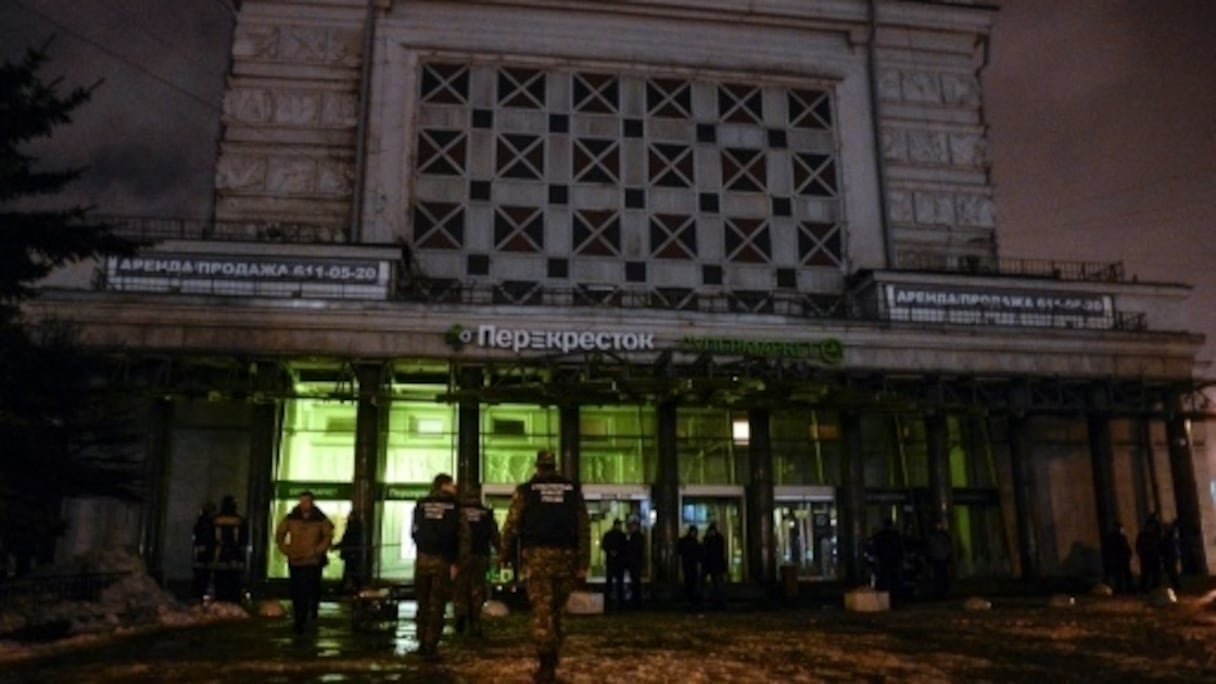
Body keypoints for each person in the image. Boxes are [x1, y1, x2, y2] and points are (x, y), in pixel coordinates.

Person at [501, 449, 590, 684]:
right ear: (555, 466)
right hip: (566, 558)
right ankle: (553, 655)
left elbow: (511, 525)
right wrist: (583, 563)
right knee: (558, 612)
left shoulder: (526, 491)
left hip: (537, 558)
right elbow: (583, 528)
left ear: (537, 466)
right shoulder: (572, 491)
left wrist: (505, 555)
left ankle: (546, 663)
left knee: (542, 612)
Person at [412, 473, 464, 659]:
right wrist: (456, 561)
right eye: (453, 484)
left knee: (423, 602)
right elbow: (462, 537)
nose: (455, 488)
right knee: (437, 604)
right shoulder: (454, 506)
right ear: (444, 485)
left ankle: (421, 640)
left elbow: (415, 531)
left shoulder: (421, 504)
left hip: (422, 559)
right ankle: (430, 645)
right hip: (443, 561)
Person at [274, 491, 334, 634]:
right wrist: (286, 549)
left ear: (311, 502)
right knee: (296, 589)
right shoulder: (291, 518)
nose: (303, 504)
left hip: (312, 561)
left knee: (310, 588)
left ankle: (308, 614)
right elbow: (280, 534)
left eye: (306, 501)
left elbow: (328, 537)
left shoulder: (320, 519)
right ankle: (299, 617)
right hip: (295, 560)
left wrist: (316, 551)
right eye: (302, 501)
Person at [454, 483, 500, 638]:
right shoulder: (486, 513)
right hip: (480, 556)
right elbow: (494, 535)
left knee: (460, 588)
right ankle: (476, 624)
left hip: (461, 556)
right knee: (477, 590)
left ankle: (461, 613)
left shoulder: (458, 512)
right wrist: (502, 553)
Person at [212, 495, 248, 604]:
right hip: (235, 554)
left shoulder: (215, 519)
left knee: (220, 580)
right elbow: (244, 538)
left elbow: (210, 538)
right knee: (234, 580)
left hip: (219, 554)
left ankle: (220, 599)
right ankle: (233, 600)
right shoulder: (239, 520)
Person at [870, 519, 904, 602]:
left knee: (884, 580)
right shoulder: (896, 536)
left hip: (884, 561)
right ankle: (895, 599)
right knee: (895, 581)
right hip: (894, 561)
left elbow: (875, 549)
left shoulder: (879, 536)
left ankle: (884, 599)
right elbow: (900, 549)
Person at [191, 502, 216, 601]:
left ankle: (197, 595)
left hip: (199, 553)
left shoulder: (199, 523)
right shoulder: (211, 523)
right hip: (207, 553)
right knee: (205, 576)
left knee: (199, 576)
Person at [335, 511, 365, 594]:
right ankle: (356, 587)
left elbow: (348, 541)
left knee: (350, 572)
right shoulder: (355, 527)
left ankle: (347, 588)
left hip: (351, 553)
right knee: (351, 572)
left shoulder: (353, 528)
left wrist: (338, 546)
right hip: (352, 553)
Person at [601, 518, 627, 609]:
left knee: (610, 583)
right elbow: (625, 548)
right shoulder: (622, 536)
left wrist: (610, 551)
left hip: (612, 562)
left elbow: (604, 545)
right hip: (618, 562)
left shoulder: (608, 535)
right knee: (618, 583)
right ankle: (619, 602)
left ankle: (608, 601)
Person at [924, 520, 953, 600]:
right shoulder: (933, 536)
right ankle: (940, 592)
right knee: (938, 577)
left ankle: (942, 592)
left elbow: (948, 547)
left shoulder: (942, 536)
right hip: (937, 559)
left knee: (942, 577)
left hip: (940, 558)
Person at [701, 522, 727, 610]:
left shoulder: (711, 539)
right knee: (717, 583)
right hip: (715, 565)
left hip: (714, 565)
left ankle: (717, 600)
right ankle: (717, 600)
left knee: (717, 583)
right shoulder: (717, 538)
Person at [1102, 523, 1133, 594]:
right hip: (1118, 558)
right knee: (1119, 575)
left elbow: (1126, 546)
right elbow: (1111, 548)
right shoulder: (1113, 537)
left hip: (1124, 558)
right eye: (1120, 528)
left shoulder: (1122, 536)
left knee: (1126, 574)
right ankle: (1121, 589)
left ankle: (1128, 588)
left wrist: (1129, 553)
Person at [676, 525, 702, 610]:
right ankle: (692, 599)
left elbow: (679, 552)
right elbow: (698, 553)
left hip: (687, 564)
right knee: (692, 582)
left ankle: (690, 598)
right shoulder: (693, 541)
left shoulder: (684, 541)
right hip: (691, 564)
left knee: (689, 582)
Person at [1136, 514, 1163, 593]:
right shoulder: (1143, 535)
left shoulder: (1156, 535)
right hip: (1146, 557)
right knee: (1145, 574)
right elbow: (1138, 545)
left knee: (1156, 574)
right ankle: (1144, 588)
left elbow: (1160, 545)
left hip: (1154, 556)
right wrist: (1141, 552)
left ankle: (1155, 588)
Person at [623, 519, 645, 606]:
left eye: (632, 526)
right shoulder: (636, 536)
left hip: (635, 562)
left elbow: (633, 548)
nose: (631, 528)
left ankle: (636, 600)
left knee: (636, 581)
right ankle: (636, 599)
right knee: (635, 581)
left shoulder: (635, 537)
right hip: (635, 562)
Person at [1160, 520, 1182, 594]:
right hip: (1170, 556)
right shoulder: (1169, 537)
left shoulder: (1170, 537)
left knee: (1172, 571)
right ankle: (1176, 585)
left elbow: (1169, 546)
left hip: (1170, 556)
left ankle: (1177, 586)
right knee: (1171, 571)